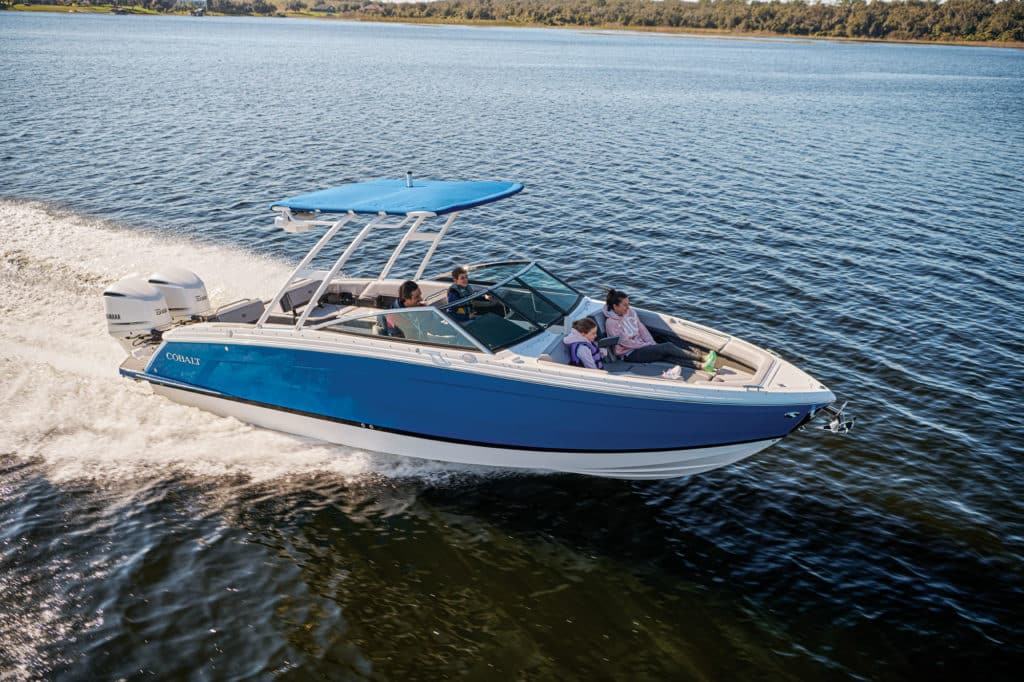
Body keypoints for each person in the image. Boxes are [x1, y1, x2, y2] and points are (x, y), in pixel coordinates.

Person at [603, 289, 708, 368]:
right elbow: (625, 342)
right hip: (630, 353)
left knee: (665, 355)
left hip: (641, 346)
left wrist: (651, 342)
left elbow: (641, 329)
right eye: (625, 305)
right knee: (667, 347)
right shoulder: (611, 323)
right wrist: (646, 345)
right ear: (615, 306)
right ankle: (702, 358)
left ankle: (701, 366)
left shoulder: (630, 312)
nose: (628, 307)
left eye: (628, 304)